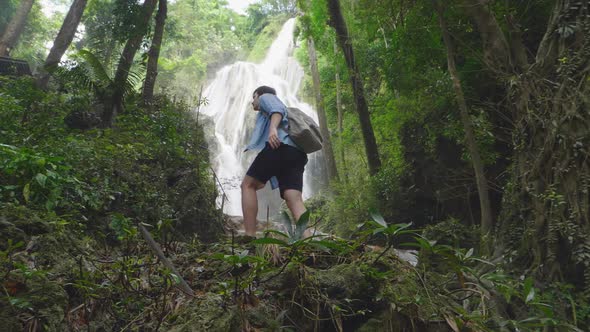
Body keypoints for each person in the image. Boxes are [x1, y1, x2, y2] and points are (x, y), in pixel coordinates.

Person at [241, 85, 308, 237]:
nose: (253, 102)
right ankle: (308, 240)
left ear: (259, 94)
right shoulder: (267, 112)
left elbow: (277, 110)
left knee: (247, 185)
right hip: (297, 153)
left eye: (254, 97)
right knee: (294, 198)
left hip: (279, 146)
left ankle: (249, 235)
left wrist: (272, 130)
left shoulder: (267, 97)